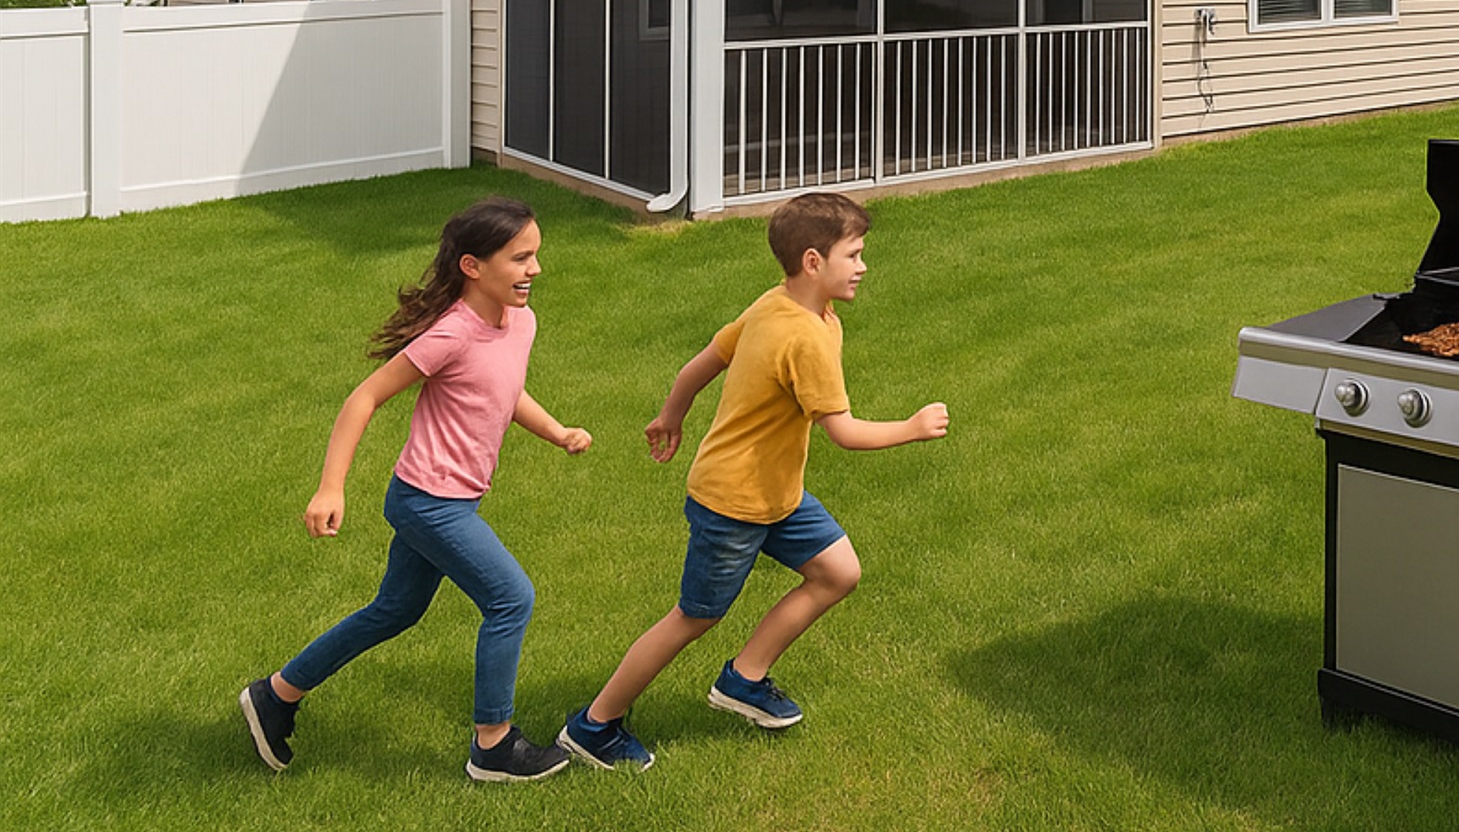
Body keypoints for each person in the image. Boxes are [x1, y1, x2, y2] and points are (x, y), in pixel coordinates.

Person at [561, 191, 948, 770]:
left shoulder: (780, 304)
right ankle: (594, 725)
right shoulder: (803, 336)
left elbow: (703, 362)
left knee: (837, 572)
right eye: (855, 254)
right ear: (814, 261)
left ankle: (743, 679)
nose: (864, 265)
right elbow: (844, 432)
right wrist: (913, 427)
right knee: (695, 616)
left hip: (776, 494)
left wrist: (673, 413)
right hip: (734, 501)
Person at [240, 197, 592, 782]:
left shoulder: (519, 321)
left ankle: (275, 695)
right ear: (473, 266)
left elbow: (502, 391)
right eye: (521, 257)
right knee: (511, 598)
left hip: (450, 499)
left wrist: (556, 432)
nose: (535, 270)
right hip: (429, 502)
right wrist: (331, 487)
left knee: (394, 610)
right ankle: (494, 744)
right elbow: (365, 397)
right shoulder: (451, 333)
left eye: (536, 256)